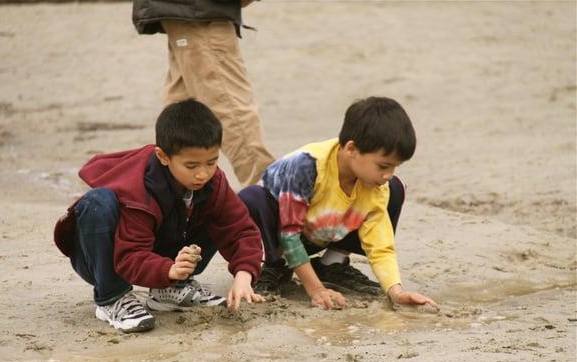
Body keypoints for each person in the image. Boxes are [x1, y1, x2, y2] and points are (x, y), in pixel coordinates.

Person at [54, 99, 265, 333]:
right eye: (191, 165)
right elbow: (129, 256)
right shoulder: (139, 188)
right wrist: (168, 270)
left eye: (212, 162)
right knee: (97, 202)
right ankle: (111, 298)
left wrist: (244, 275)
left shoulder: (212, 181)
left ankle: (170, 291)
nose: (203, 173)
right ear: (163, 156)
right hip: (104, 256)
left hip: (162, 251)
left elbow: (240, 229)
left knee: (216, 204)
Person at [239, 97, 438, 310]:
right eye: (383, 166)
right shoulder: (307, 165)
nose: (388, 174)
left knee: (396, 189)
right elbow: (289, 235)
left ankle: (332, 264)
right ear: (351, 149)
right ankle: (272, 267)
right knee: (251, 198)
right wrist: (316, 289)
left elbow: (380, 243)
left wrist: (396, 291)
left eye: (395, 167)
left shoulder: (377, 183)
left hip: (320, 231)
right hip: (282, 233)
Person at [131, 0, 274, 186]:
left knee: (180, 122)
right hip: (199, 14)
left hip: (185, 13)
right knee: (234, 115)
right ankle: (275, 201)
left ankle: (173, 205)